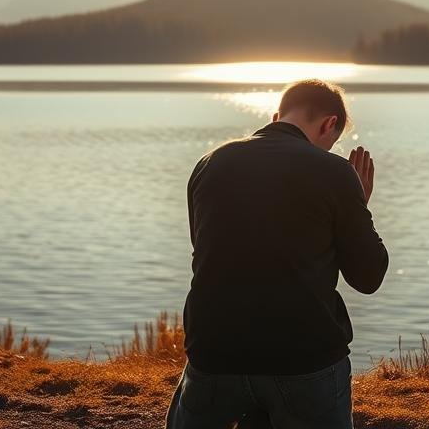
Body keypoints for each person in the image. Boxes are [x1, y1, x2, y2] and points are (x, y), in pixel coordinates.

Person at [165, 78, 388, 429]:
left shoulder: (210, 163)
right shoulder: (335, 173)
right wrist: (358, 203)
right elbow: (368, 277)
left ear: (276, 116)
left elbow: (205, 250)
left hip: (214, 355)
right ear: (329, 124)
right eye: (332, 141)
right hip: (303, 361)